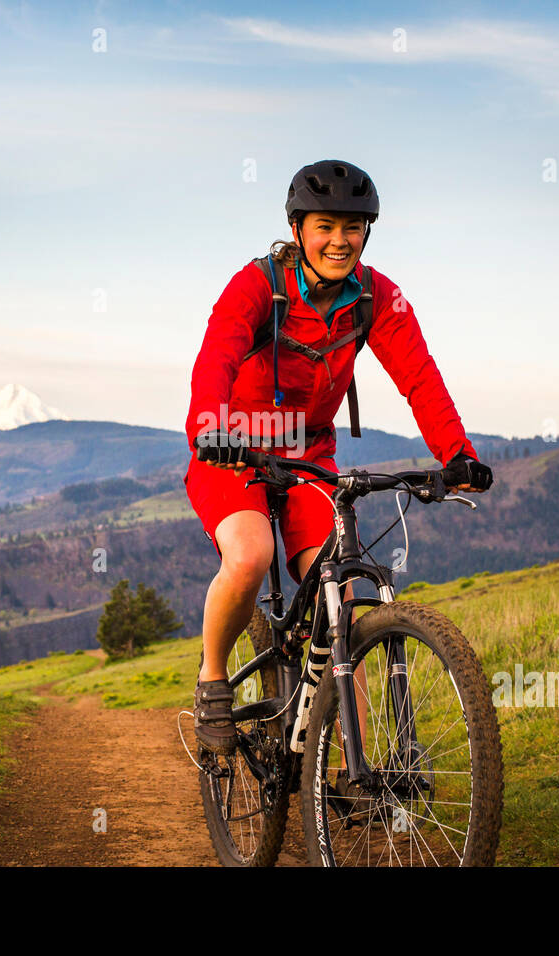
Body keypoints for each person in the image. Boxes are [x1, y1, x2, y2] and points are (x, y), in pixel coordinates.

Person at [183, 159, 494, 754]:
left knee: (344, 602)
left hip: (308, 455)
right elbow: (216, 358)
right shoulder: (256, 286)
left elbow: (419, 377)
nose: (339, 240)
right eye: (325, 225)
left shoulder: (376, 297)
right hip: (233, 449)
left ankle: (327, 751)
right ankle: (213, 678)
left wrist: (457, 455)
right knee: (249, 557)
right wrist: (210, 428)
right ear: (298, 228)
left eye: (353, 227)